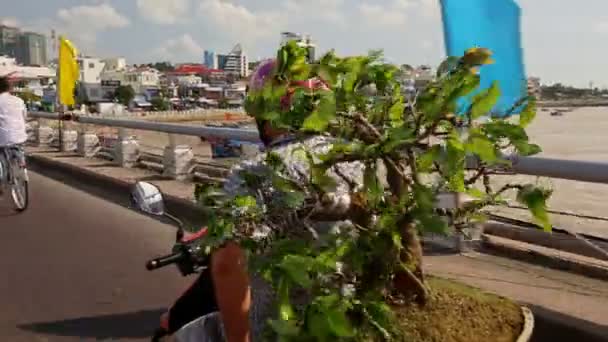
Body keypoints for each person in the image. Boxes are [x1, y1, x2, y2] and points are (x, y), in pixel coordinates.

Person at [163, 60, 365, 342]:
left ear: (266, 113)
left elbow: (227, 266)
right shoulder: (367, 160)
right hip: (356, 324)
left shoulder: (254, 173)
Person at [0, 76, 28, 192]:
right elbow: (24, 116)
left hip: (3, 138)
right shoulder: (19, 101)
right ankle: (21, 163)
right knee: (19, 148)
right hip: (20, 136)